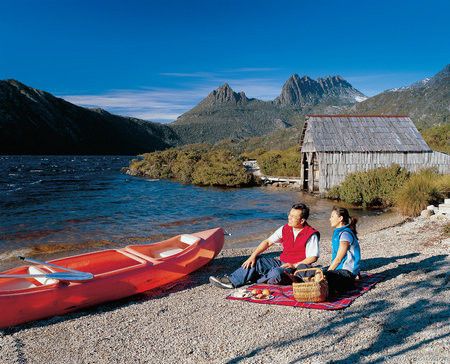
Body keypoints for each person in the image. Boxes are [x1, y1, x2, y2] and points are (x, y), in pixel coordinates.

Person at [209, 203, 320, 289]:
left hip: (295, 269)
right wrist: (252, 256)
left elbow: (313, 257)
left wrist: (294, 265)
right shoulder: (284, 228)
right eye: (289, 215)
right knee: (256, 261)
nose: (289, 218)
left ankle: (255, 278)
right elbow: (267, 242)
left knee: (277, 273)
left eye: (293, 217)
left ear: (302, 220)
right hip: (281, 262)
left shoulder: (311, 234)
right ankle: (232, 281)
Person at [309, 206, 361, 293]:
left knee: (324, 277)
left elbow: (338, 259)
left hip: (347, 272)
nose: (330, 219)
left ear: (340, 218)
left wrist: (326, 273)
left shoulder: (345, 234)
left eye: (332, 216)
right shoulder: (339, 232)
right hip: (340, 271)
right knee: (317, 273)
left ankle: (349, 284)